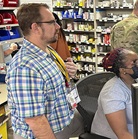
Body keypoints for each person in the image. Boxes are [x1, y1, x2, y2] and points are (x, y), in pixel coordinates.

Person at [5, 3, 83, 139]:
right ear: (36, 27)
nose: (58, 26)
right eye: (52, 22)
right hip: (45, 133)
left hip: (61, 124)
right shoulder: (25, 68)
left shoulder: (47, 50)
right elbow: (36, 121)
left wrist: (68, 73)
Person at [91, 48, 138, 139]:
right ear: (123, 70)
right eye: (134, 62)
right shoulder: (112, 92)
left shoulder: (137, 81)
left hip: (137, 133)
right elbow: (122, 134)